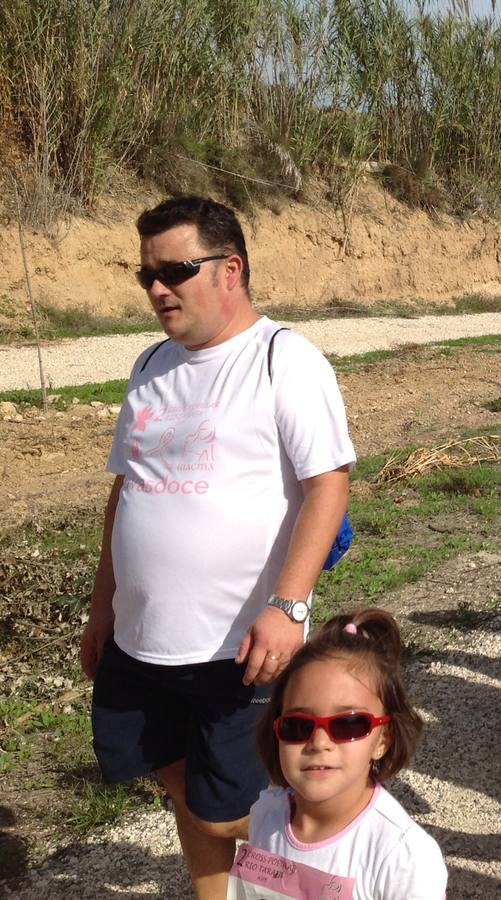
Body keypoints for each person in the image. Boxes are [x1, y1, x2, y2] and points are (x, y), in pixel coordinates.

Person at [81, 196, 356, 899]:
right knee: (184, 791)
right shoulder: (150, 365)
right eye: (145, 275)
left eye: (174, 269)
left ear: (230, 269)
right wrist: (102, 608)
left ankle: (325, 879)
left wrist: (289, 606)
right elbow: (126, 492)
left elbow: (328, 486)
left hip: (237, 645)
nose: (156, 289)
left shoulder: (281, 359)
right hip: (142, 643)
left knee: (235, 811)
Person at [227, 608, 446, 899]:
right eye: (298, 726)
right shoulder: (267, 816)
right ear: (275, 731)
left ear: (384, 738)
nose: (319, 742)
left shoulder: (402, 857)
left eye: (349, 724)